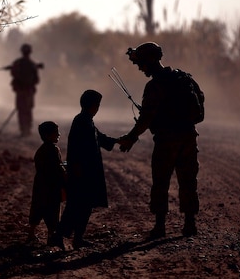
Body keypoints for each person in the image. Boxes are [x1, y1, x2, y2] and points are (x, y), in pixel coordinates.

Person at [117, 42, 204, 239]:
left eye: (141, 63)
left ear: (149, 61)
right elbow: (200, 109)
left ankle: (160, 227)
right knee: (188, 181)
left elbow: (146, 118)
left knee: (161, 181)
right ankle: (190, 224)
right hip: (189, 137)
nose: (139, 67)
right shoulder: (184, 78)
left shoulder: (155, 85)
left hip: (166, 140)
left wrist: (131, 138)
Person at [49, 90, 118, 250]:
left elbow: (99, 138)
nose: (98, 108)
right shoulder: (81, 122)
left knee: (84, 206)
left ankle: (76, 238)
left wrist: (118, 141)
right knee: (76, 206)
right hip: (81, 172)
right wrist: (77, 170)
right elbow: (77, 149)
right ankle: (59, 236)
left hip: (87, 172)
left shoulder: (86, 121)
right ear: (93, 106)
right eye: (98, 105)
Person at [27, 121, 67, 245]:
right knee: (52, 212)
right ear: (48, 135)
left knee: (37, 210)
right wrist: (65, 177)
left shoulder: (41, 150)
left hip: (40, 185)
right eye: (56, 133)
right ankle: (51, 237)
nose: (59, 134)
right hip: (51, 187)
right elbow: (57, 169)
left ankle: (31, 234)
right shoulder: (54, 150)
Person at [3, 43, 42, 137]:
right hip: (29, 91)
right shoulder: (32, 64)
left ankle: (23, 130)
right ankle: (27, 130)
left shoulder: (18, 63)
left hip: (21, 91)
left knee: (21, 110)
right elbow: (37, 80)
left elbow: (13, 74)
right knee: (28, 110)